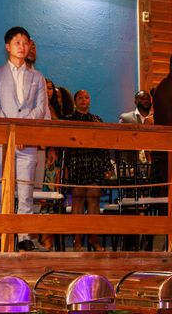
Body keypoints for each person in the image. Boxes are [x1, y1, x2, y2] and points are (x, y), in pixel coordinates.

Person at [0, 26, 49, 252]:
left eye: (25, 42)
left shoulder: (37, 77)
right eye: (17, 42)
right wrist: (12, 133)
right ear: (7, 46)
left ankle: (24, 236)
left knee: (25, 190)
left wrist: (22, 132)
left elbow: (40, 108)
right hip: (2, 141)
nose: (22, 46)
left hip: (27, 141)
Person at [65, 90, 113, 251]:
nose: (84, 100)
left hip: (94, 164)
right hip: (76, 163)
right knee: (77, 200)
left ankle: (94, 239)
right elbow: (64, 146)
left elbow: (103, 146)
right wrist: (64, 167)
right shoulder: (69, 120)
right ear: (75, 101)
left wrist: (107, 167)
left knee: (94, 200)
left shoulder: (97, 120)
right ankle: (77, 241)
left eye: (86, 97)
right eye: (80, 98)